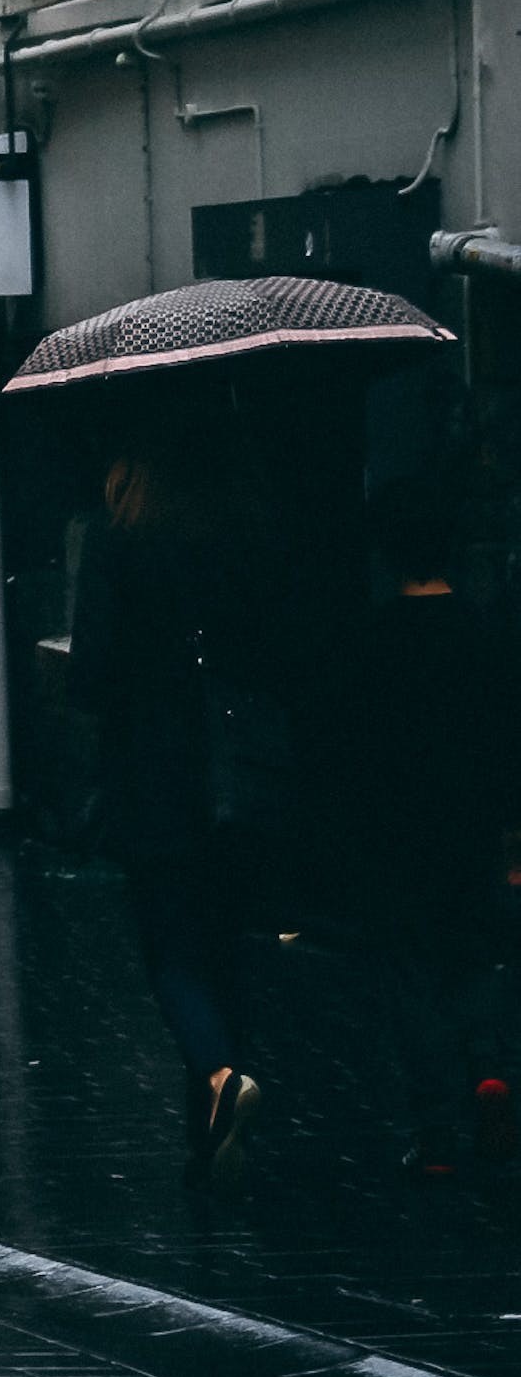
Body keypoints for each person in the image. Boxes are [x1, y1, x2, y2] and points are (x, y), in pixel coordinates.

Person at [68, 416, 289, 1187]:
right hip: (237, 771)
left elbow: (89, 675)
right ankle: (212, 1127)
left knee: (170, 950)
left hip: (151, 772)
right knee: (225, 945)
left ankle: (218, 1078)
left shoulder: (116, 536)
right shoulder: (247, 530)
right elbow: (274, 647)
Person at [335, 475, 515, 1175]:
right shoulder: (481, 629)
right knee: (472, 959)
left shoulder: (376, 641)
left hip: (398, 836)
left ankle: (436, 1130)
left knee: (410, 976)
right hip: (469, 828)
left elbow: (357, 750)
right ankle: (487, 1069)